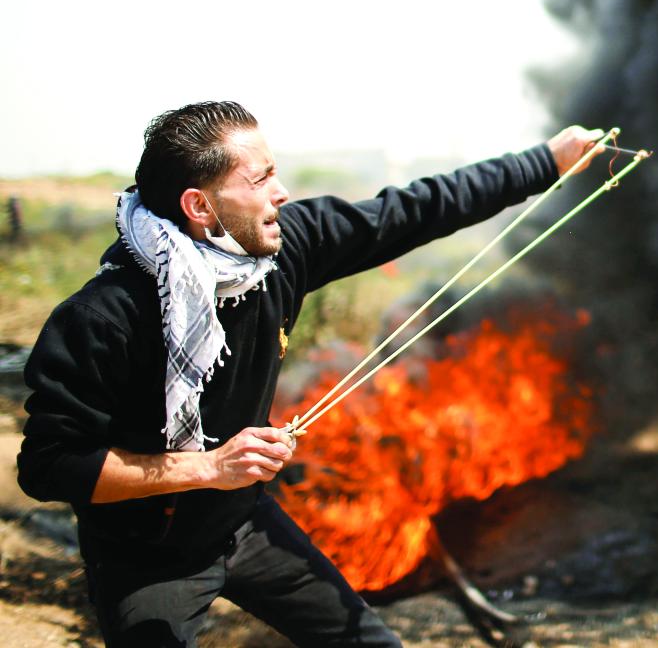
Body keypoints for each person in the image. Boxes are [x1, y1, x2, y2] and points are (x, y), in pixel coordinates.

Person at [16, 101, 603, 647]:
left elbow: (420, 207)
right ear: (200, 207)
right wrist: (210, 467)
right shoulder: (102, 318)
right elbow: (50, 466)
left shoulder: (282, 249)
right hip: (144, 557)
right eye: (259, 180)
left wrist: (546, 162)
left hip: (245, 522)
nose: (282, 193)